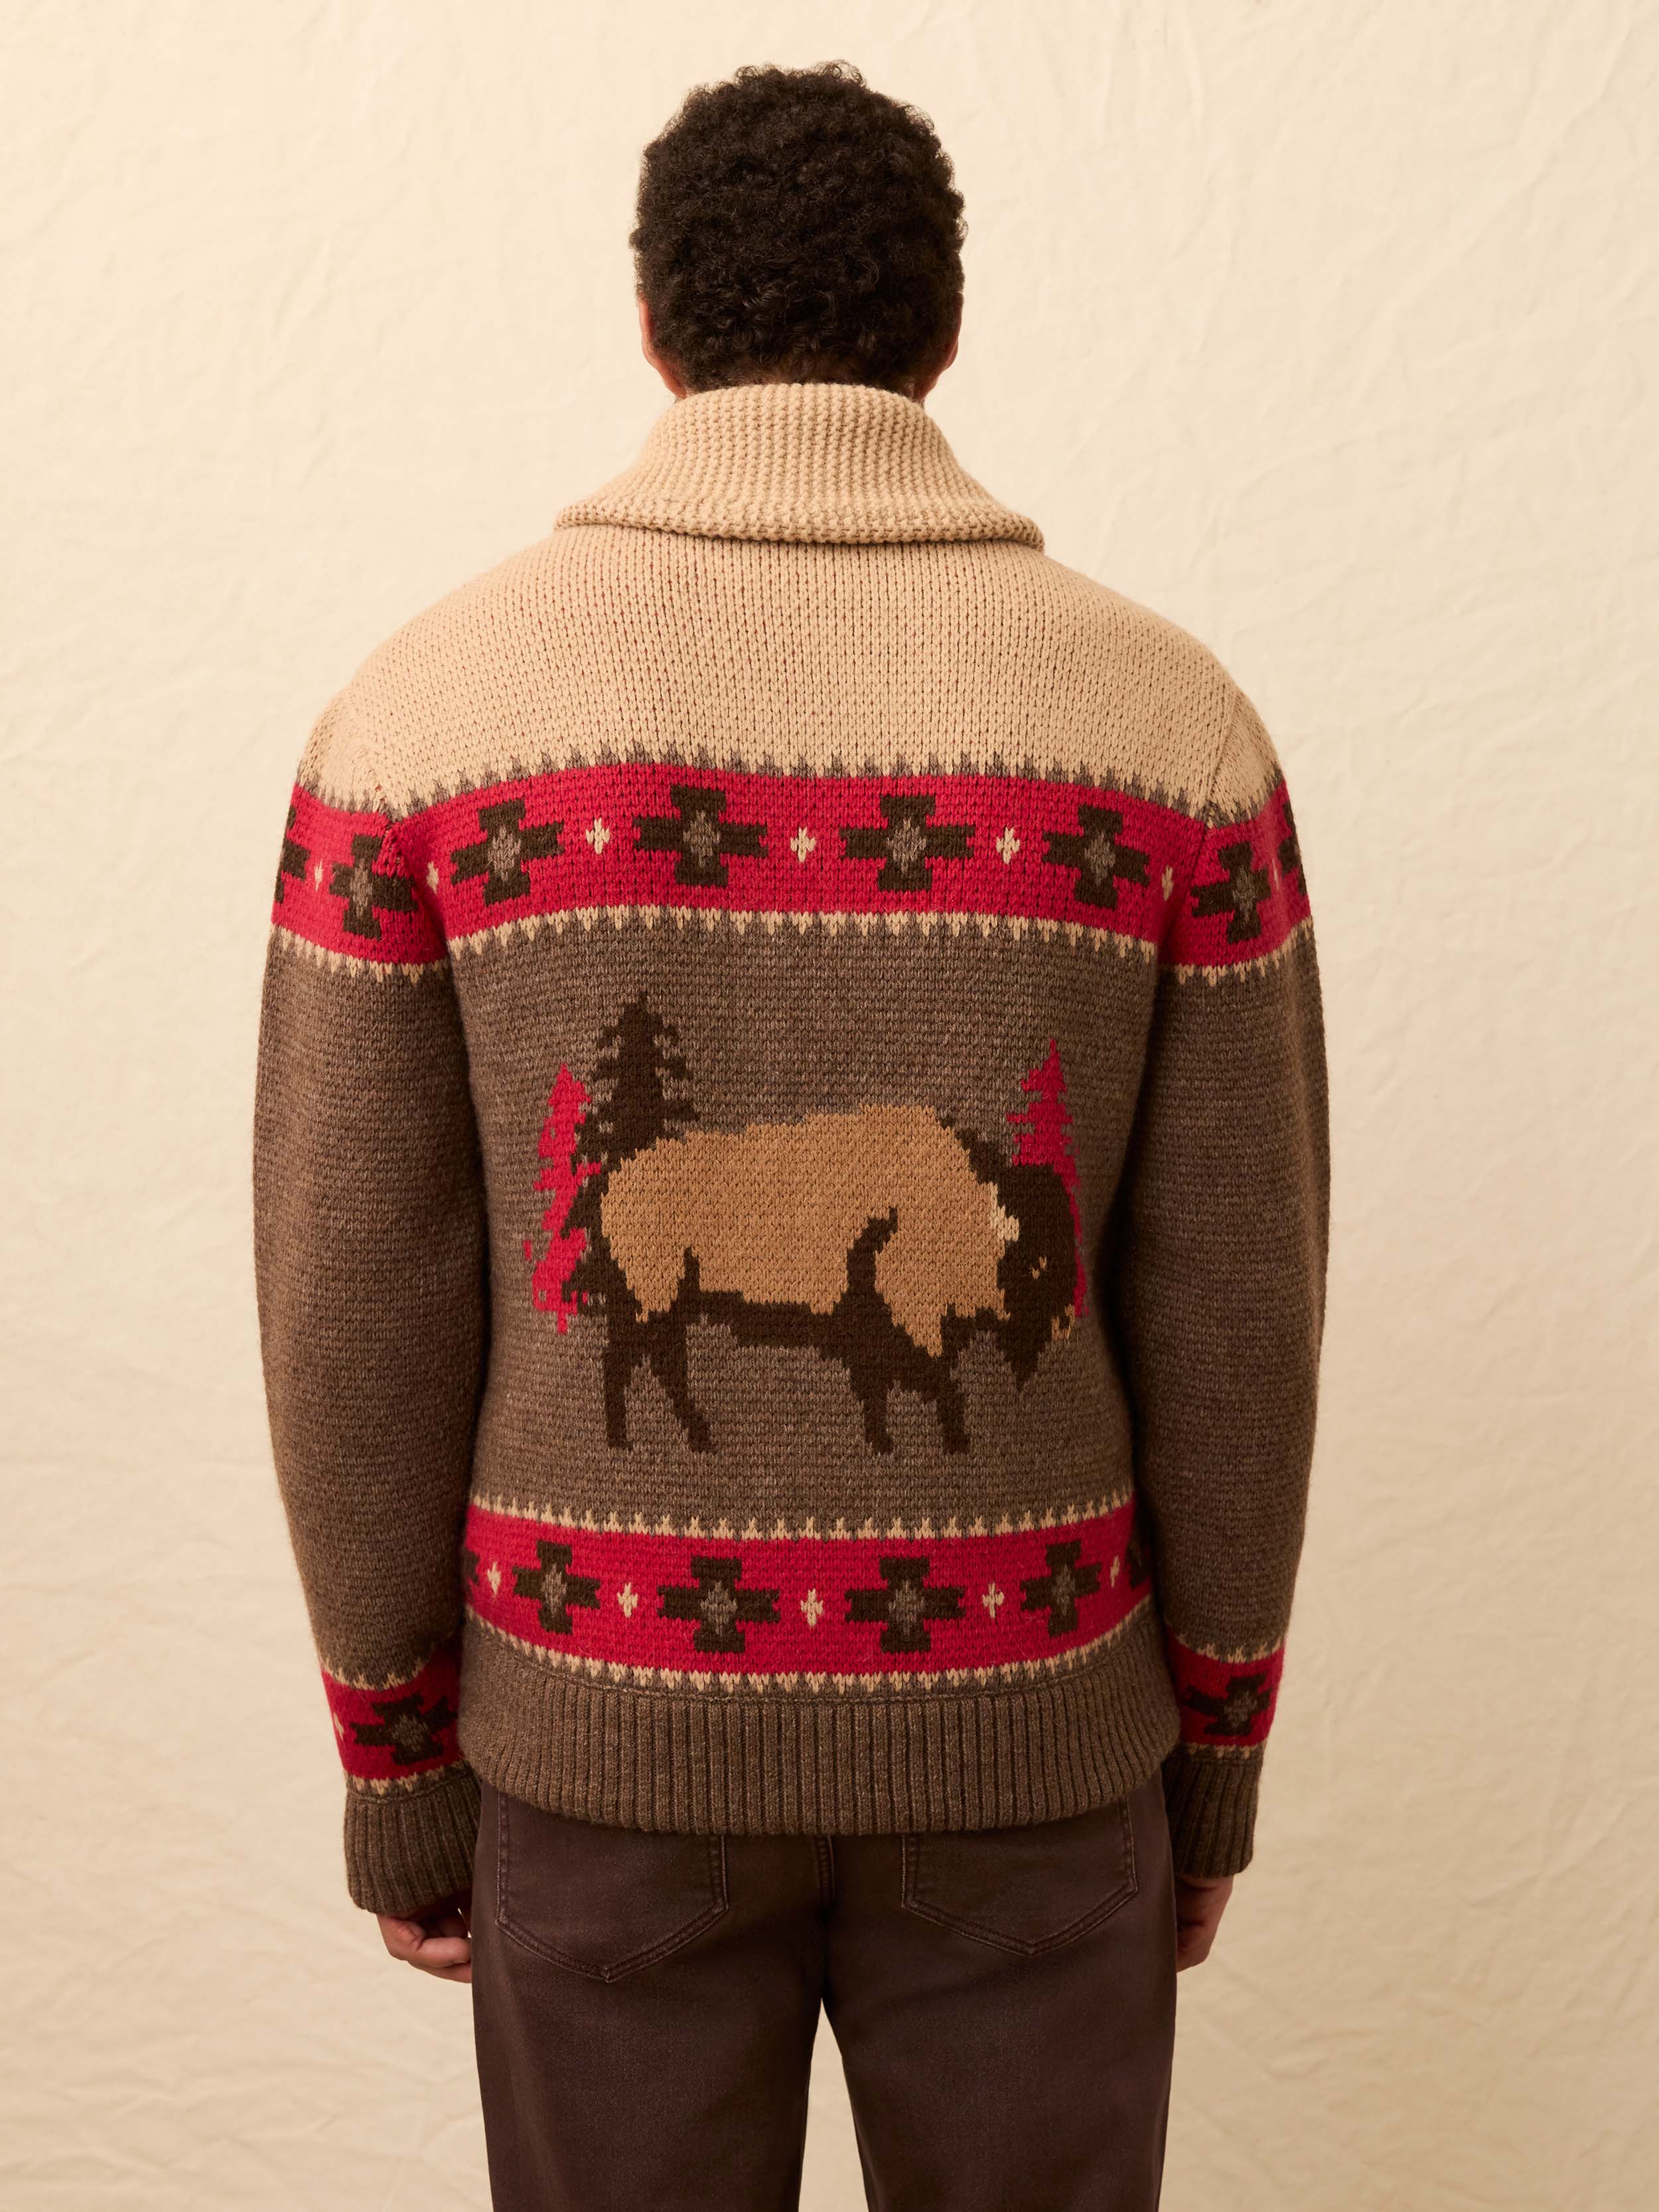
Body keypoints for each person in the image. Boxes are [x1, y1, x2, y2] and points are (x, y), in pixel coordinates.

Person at [253, 59, 1328, 2212]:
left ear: (653, 328)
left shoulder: (425, 727)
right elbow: (1237, 1305)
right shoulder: (1165, 734)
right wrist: (1203, 1757)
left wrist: (400, 1761)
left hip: (595, 1741)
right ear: (940, 335)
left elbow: (350, 1296)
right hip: (1031, 1741)